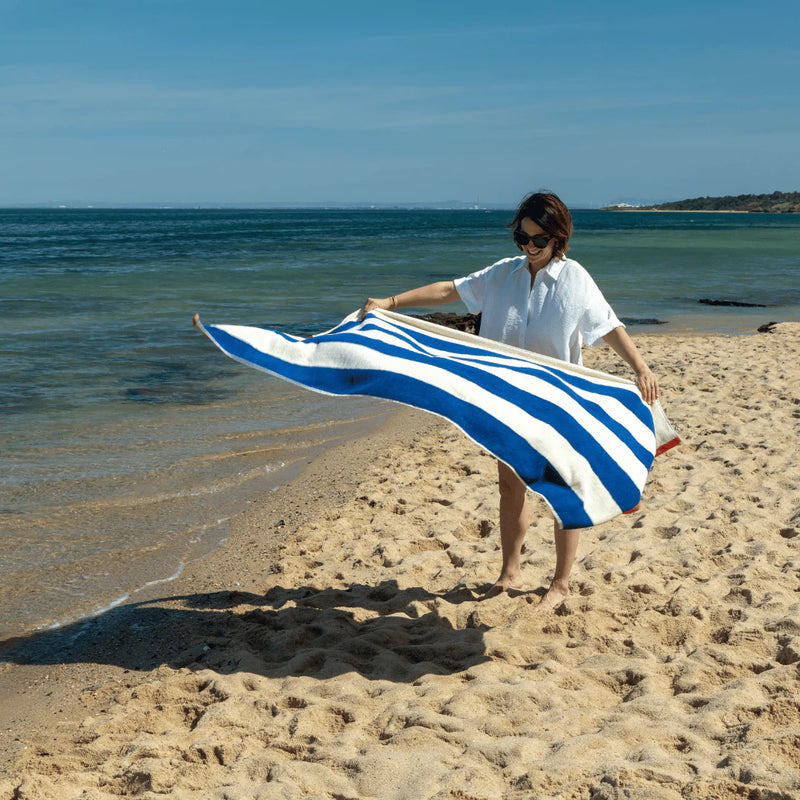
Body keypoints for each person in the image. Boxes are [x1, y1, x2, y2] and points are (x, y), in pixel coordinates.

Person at [360, 191, 659, 614]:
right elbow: (449, 289)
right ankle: (510, 573)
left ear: (559, 238)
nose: (529, 247)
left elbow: (607, 327)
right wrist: (390, 303)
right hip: (507, 402)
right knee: (510, 486)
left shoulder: (575, 280)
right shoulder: (503, 274)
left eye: (539, 240)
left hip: (558, 402)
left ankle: (560, 584)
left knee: (561, 491)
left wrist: (641, 368)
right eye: (522, 236)